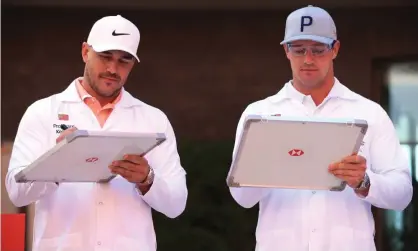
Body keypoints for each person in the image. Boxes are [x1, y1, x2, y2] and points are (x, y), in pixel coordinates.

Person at [227, 5, 413, 251]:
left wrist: (364, 182)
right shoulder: (258, 114)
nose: (308, 59)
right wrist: (268, 163)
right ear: (286, 51)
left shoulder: (370, 113)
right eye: (299, 49)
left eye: (318, 50)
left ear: (335, 49)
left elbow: (402, 194)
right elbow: (242, 199)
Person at [5, 15, 188, 251]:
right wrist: (58, 162)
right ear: (85, 52)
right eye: (105, 57)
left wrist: (147, 179)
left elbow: (177, 204)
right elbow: (17, 193)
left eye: (124, 60)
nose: (113, 69)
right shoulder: (42, 112)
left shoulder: (153, 119)